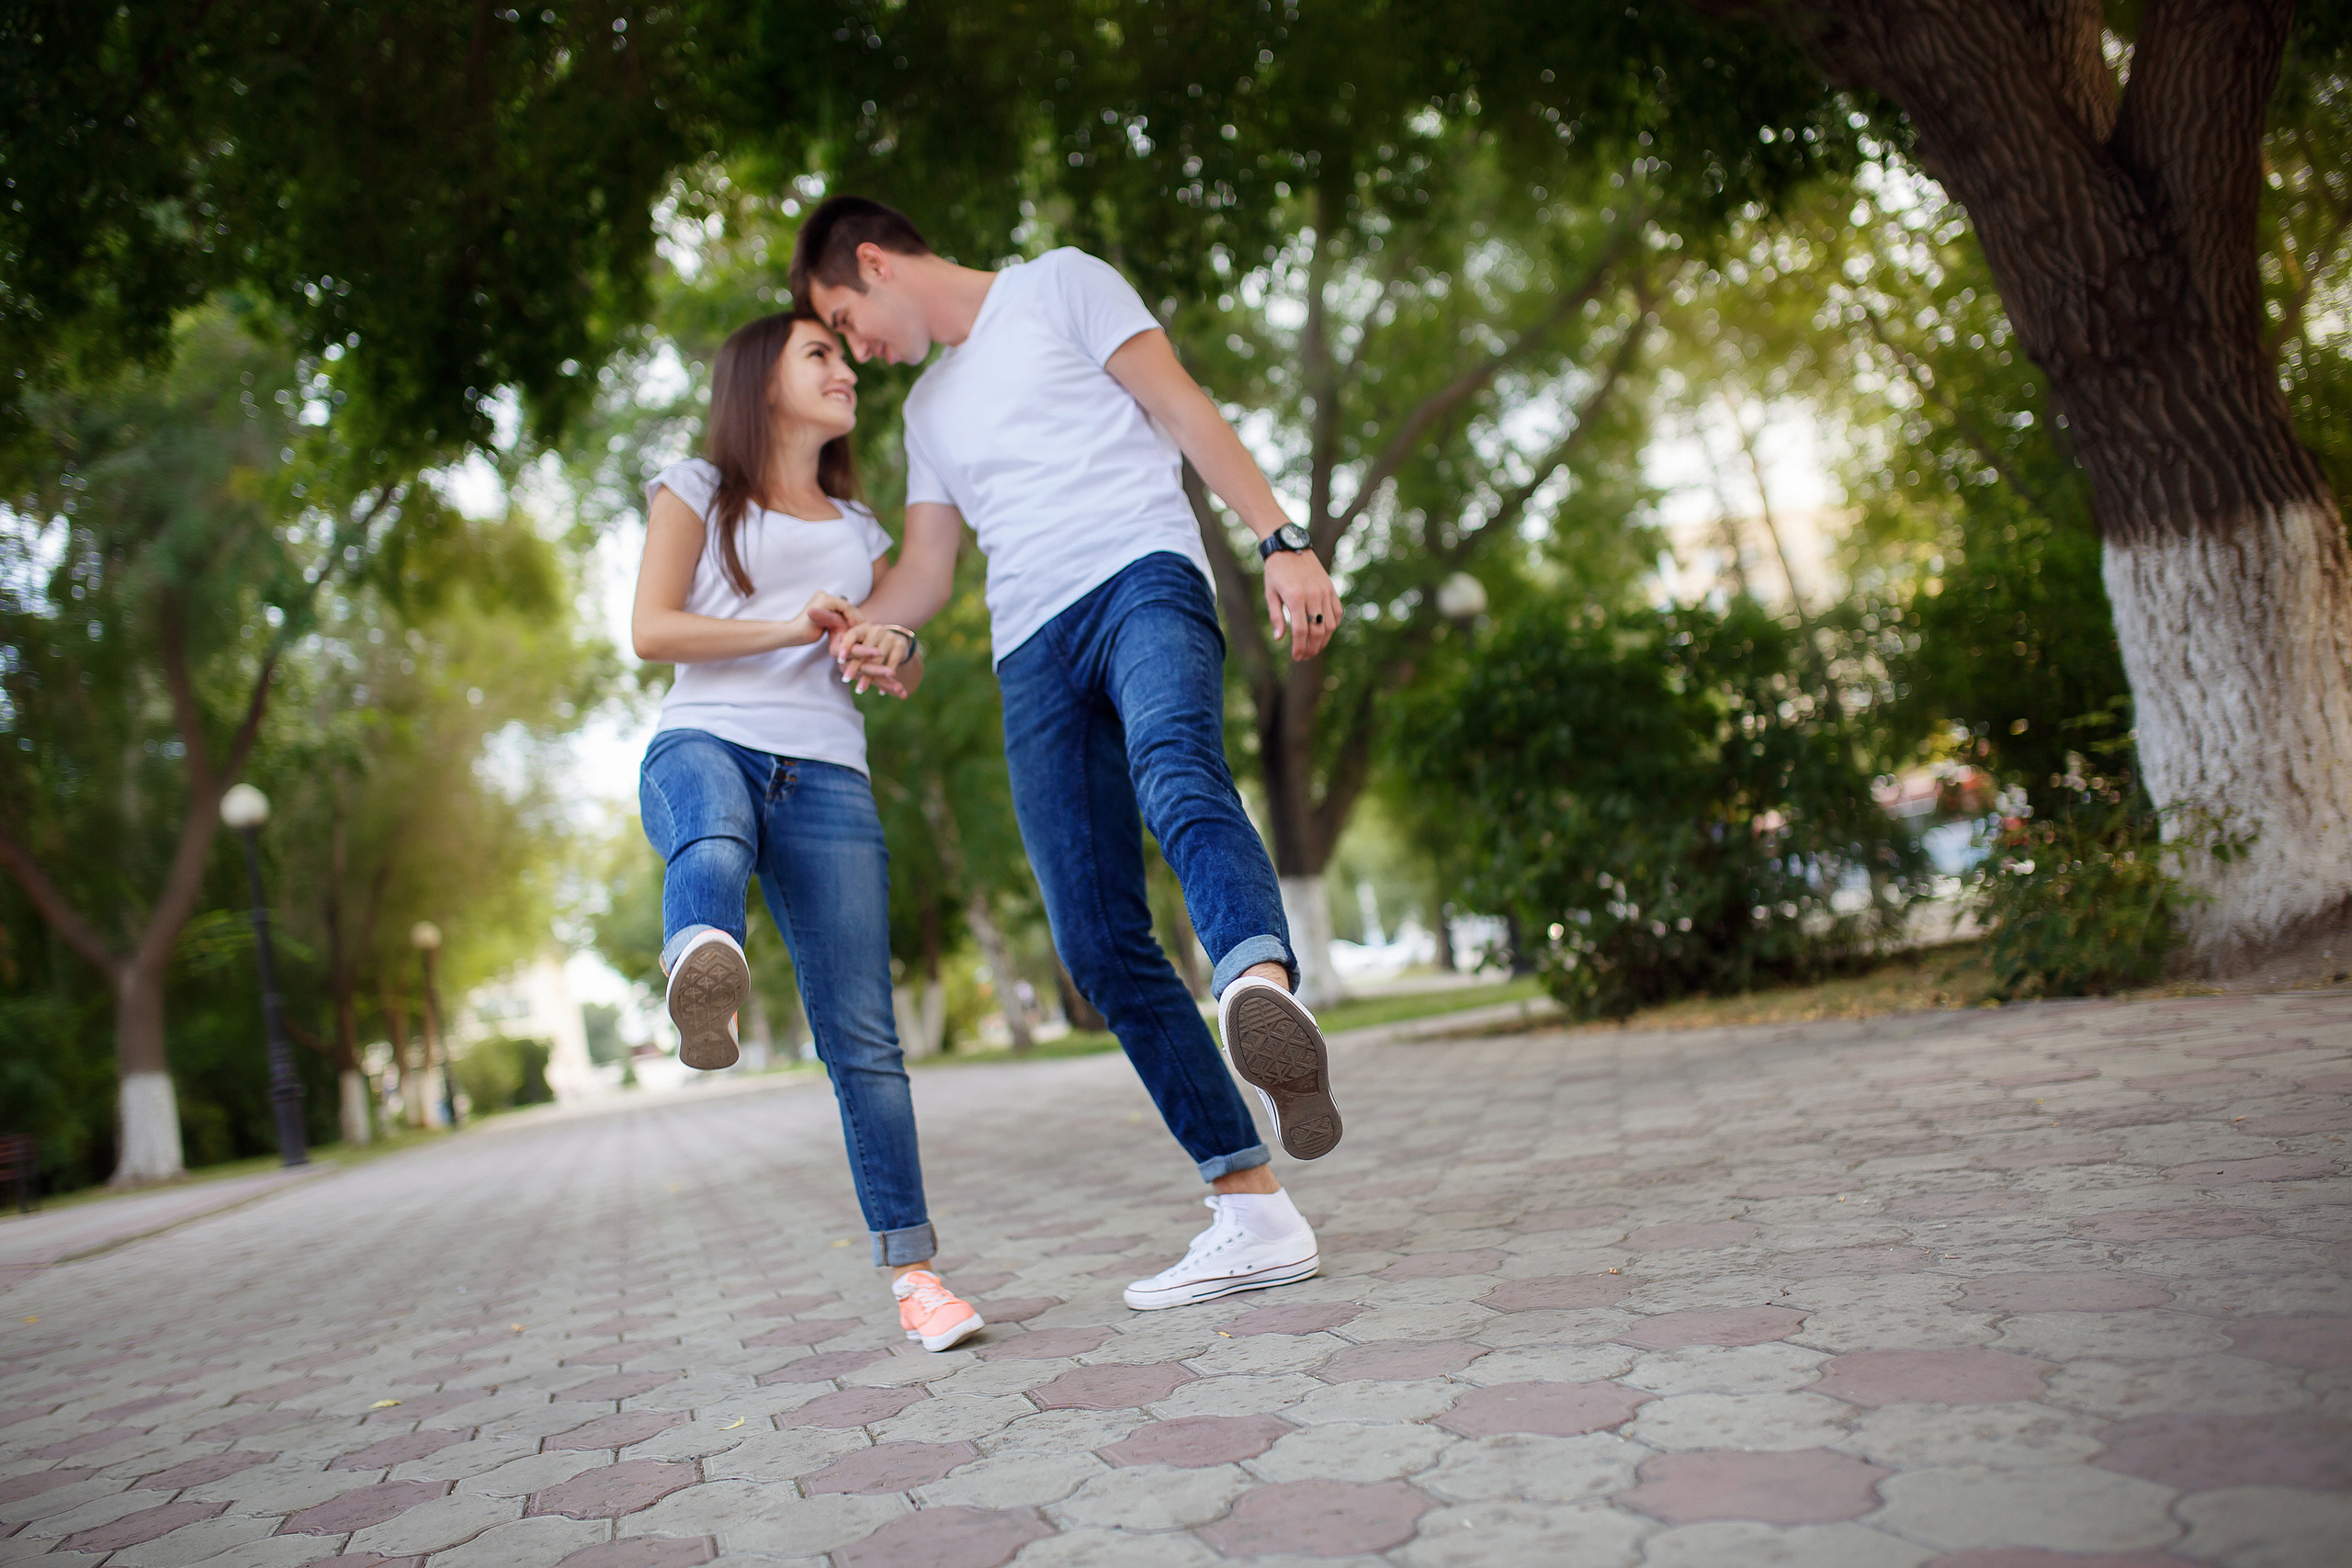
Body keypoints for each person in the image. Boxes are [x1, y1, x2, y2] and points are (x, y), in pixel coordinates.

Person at [790, 196, 1346, 1312]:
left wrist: (1282, 539)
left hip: (1142, 576)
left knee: (1177, 768)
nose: (855, 351)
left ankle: (1256, 986)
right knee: (1092, 937)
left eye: (844, 322)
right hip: (1029, 652)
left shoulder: (1061, 282)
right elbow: (932, 570)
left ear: (873, 261)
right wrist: (879, 623)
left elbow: (1183, 409)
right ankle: (1254, 1213)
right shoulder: (931, 412)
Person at [630, 307, 980, 1352]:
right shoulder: (695, 488)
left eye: (844, 356)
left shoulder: (859, 527)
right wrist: (791, 625)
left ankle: (917, 1278)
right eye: (819, 355)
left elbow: (905, 662)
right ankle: (703, 955)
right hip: (705, 739)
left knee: (864, 1040)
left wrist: (887, 649)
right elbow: (651, 630)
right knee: (715, 839)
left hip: (828, 773)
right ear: (760, 379)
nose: (845, 372)